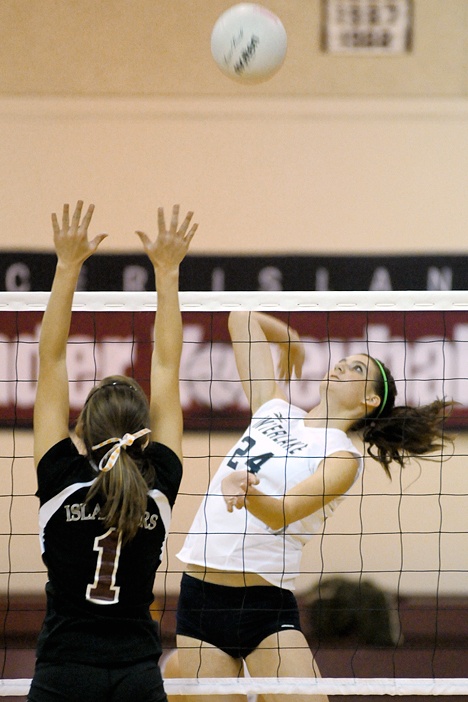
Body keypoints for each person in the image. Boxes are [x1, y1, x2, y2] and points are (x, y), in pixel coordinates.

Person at [175, 310, 453, 702]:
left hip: (263, 605)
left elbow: (281, 512)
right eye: (342, 360)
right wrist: (291, 339)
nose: (341, 365)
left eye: (356, 368)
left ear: (370, 399)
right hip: (199, 599)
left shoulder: (342, 458)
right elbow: (241, 319)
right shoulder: (273, 407)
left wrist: (244, 489)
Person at [28, 200, 197, 702]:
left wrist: (66, 265)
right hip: (136, 676)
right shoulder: (159, 484)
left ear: (81, 428)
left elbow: (52, 359)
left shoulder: (60, 475)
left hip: (63, 674)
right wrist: (167, 273)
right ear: (145, 432)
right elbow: (167, 365)